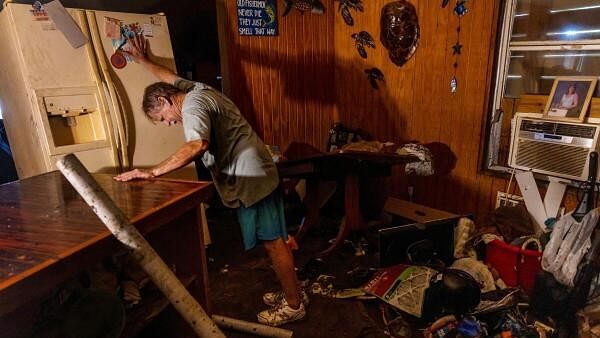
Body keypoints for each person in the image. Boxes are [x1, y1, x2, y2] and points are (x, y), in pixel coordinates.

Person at [114, 34, 308, 326]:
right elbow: (169, 76)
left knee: (272, 242)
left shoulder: (192, 108)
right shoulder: (195, 90)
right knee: (276, 238)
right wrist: (142, 60)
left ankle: (294, 306)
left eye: (164, 116)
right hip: (258, 171)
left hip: (251, 177)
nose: (169, 123)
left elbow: (196, 145)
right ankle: (294, 292)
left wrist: (151, 171)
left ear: (167, 100)